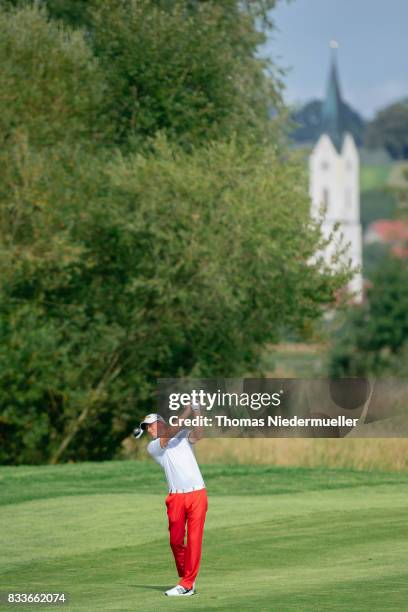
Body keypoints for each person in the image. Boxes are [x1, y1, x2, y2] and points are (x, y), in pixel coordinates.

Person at [138, 403, 207, 597]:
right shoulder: (153, 446)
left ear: (160, 422)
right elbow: (170, 432)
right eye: (146, 428)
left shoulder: (184, 435)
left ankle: (187, 583)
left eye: (151, 425)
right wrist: (187, 409)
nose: (149, 430)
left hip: (197, 494)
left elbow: (199, 434)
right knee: (176, 541)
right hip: (176, 497)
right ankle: (187, 578)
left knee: (194, 540)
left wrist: (197, 411)